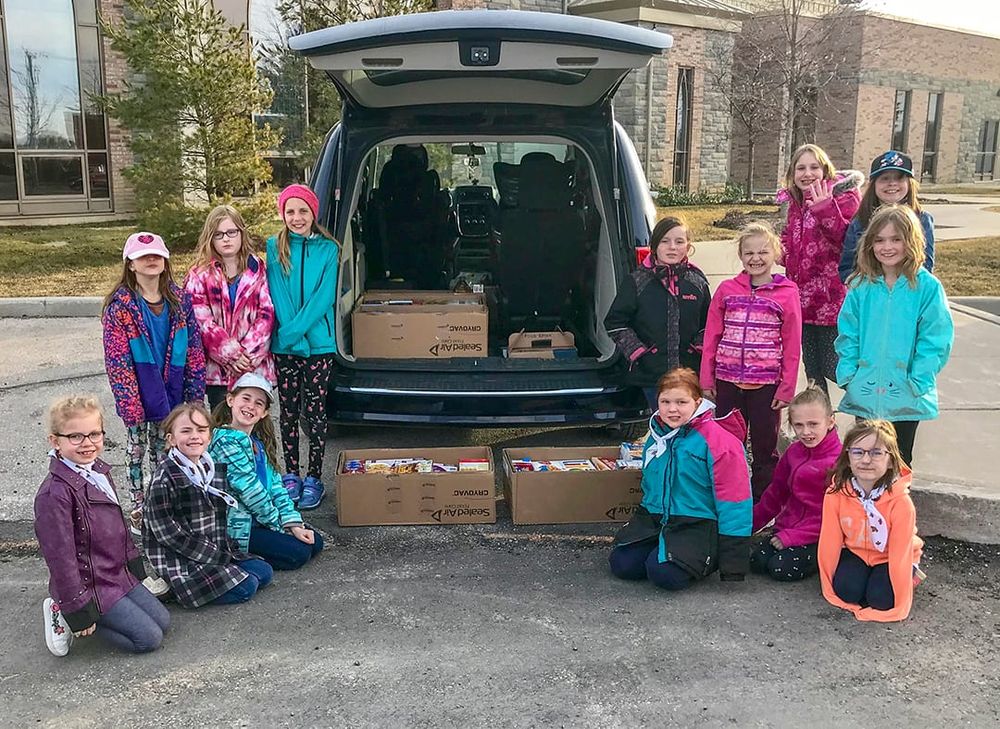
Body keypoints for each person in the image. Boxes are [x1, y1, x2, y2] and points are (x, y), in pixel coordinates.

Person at [34, 396, 169, 656]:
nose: (87, 443)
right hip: (89, 583)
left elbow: (117, 524)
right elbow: (60, 558)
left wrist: (134, 568)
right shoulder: (53, 494)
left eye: (94, 434)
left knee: (163, 621)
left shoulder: (98, 470)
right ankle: (62, 611)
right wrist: (79, 611)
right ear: (55, 441)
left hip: (114, 572)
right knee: (147, 639)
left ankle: (90, 611)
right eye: (75, 436)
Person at [609, 368, 752, 591]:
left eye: (681, 402)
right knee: (622, 565)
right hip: (657, 518)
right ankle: (662, 549)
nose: (672, 409)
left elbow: (735, 501)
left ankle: (703, 558)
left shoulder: (721, 442)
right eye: (665, 401)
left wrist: (733, 561)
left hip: (697, 522)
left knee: (665, 576)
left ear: (697, 402)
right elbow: (649, 485)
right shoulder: (656, 435)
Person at [102, 231, 206, 531]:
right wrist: (130, 403)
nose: (151, 260)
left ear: (165, 261)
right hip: (139, 392)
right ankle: (138, 507)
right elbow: (118, 361)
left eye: (157, 256)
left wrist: (194, 396)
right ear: (130, 264)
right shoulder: (120, 307)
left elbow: (194, 351)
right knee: (136, 451)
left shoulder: (179, 300)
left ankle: (164, 503)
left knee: (166, 451)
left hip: (172, 391)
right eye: (143, 257)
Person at [835, 205, 954, 466]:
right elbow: (848, 333)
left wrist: (919, 380)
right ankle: (864, 507)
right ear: (870, 243)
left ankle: (896, 507)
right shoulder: (860, 286)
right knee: (866, 459)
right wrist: (848, 375)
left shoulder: (926, 287)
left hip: (906, 392)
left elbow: (935, 338)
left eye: (896, 239)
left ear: (910, 241)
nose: (887, 247)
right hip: (865, 389)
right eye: (879, 240)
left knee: (899, 462)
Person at [700, 221, 802, 499]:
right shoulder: (726, 290)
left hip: (766, 387)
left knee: (764, 448)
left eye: (763, 252)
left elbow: (793, 343)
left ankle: (762, 503)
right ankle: (726, 498)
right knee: (725, 445)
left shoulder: (787, 292)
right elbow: (712, 337)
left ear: (775, 254)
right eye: (749, 253)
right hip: (726, 383)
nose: (756, 258)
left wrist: (787, 387)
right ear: (741, 255)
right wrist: (707, 379)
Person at [143, 403, 274, 608]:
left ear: (209, 437)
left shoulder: (207, 466)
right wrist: (216, 556)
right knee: (247, 586)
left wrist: (224, 552)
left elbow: (217, 519)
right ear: (171, 439)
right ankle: (174, 590)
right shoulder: (164, 478)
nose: (195, 436)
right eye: (186, 431)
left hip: (213, 548)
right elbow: (169, 535)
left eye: (201, 430)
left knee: (264, 572)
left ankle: (222, 574)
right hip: (182, 557)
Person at [266, 184, 341, 510]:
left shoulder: (329, 249)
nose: (297, 218)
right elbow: (277, 294)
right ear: (283, 214)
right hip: (285, 347)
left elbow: (323, 298)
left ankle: (314, 477)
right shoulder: (274, 247)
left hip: (319, 345)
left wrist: (296, 333)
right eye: (290, 211)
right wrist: (289, 336)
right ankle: (291, 474)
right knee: (289, 413)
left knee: (315, 412)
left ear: (313, 213)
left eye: (303, 211)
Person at [209, 373, 324, 570]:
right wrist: (280, 527)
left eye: (258, 403)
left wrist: (292, 522)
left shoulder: (257, 444)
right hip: (237, 526)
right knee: (299, 553)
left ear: (264, 413)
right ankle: (236, 556)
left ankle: (263, 548)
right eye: (245, 398)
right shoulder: (224, 442)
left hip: (260, 520)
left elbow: (277, 487)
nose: (250, 406)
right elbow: (250, 491)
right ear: (230, 400)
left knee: (315, 541)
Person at [776, 144, 863, 394]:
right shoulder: (794, 202)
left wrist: (825, 208)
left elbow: (848, 242)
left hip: (829, 300)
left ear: (825, 170)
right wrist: (781, 253)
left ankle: (867, 402)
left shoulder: (843, 198)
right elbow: (788, 237)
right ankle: (820, 426)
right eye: (801, 168)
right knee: (812, 371)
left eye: (814, 167)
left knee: (832, 365)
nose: (807, 173)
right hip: (799, 300)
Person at [818, 420, 924, 622]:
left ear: (891, 460)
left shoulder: (901, 503)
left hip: (891, 557)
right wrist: (828, 588)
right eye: (858, 452)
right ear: (848, 458)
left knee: (881, 600)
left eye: (876, 453)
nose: (866, 460)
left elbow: (900, 554)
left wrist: (901, 605)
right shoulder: (835, 494)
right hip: (857, 552)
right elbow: (829, 541)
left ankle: (914, 575)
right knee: (846, 591)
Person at [605, 217, 711, 411]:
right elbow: (615, 322)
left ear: (688, 247)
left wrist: (698, 348)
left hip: (689, 373)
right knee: (663, 425)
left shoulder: (698, 282)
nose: (672, 247)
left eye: (679, 242)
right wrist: (639, 352)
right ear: (654, 246)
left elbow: (709, 324)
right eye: (665, 241)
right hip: (652, 374)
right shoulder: (637, 281)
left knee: (689, 427)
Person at [184, 204, 276, 412]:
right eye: (218, 234)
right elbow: (202, 322)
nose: (226, 239)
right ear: (210, 238)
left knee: (254, 427)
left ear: (241, 233)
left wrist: (246, 358)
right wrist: (232, 355)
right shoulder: (199, 275)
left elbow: (266, 315)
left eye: (231, 232)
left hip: (254, 368)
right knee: (223, 427)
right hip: (219, 372)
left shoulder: (257, 269)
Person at [750, 386, 841, 582]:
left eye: (813, 424)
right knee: (756, 562)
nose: (806, 432)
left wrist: (794, 538)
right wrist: (748, 525)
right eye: (799, 425)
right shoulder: (793, 452)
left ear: (830, 421)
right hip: (787, 527)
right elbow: (776, 493)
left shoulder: (839, 463)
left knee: (781, 569)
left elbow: (837, 515)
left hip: (818, 534)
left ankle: (822, 557)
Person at [838, 151, 935, 283]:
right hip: (869, 293)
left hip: (909, 293)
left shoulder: (922, 220)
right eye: (884, 178)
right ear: (874, 184)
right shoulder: (860, 221)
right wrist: (867, 287)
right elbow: (846, 268)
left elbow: (926, 265)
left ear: (909, 183)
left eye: (899, 178)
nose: (892, 183)